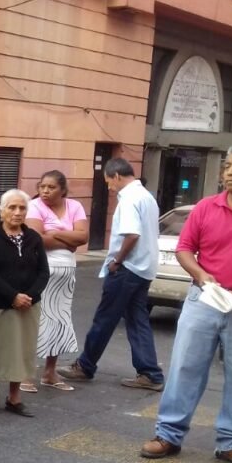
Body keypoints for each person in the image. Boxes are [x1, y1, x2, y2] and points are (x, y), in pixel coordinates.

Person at [141, 143, 232, 463]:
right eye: (228, 166)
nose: (230, 172)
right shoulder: (205, 208)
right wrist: (201, 275)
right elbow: (185, 249)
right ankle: (168, 435)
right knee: (185, 368)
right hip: (204, 300)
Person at [58, 158, 165, 391]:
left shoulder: (129, 198)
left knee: (105, 318)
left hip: (128, 268)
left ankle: (85, 366)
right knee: (137, 320)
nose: (109, 187)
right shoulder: (146, 197)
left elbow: (132, 234)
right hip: (144, 268)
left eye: (109, 182)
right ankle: (150, 373)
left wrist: (117, 260)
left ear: (116, 176)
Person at [0, 189, 50, 417]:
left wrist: (29, 296)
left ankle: (15, 397)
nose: (18, 212)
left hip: (28, 305)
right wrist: (12, 296)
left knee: (22, 350)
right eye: (12, 207)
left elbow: (44, 272)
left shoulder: (34, 238)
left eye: (22, 208)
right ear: (2, 211)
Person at [24, 171, 88, 393]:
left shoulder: (75, 206)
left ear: (62, 190)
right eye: (42, 186)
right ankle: (25, 373)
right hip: (41, 271)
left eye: (51, 187)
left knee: (59, 321)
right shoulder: (34, 206)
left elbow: (83, 237)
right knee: (36, 320)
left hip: (66, 273)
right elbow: (37, 239)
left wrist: (54, 233)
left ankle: (49, 372)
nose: (45, 191)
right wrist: (69, 240)